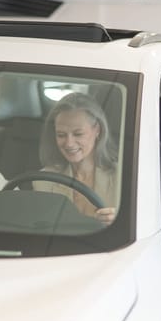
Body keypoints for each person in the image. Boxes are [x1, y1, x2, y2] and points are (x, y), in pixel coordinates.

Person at [34, 92, 119, 224]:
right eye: (61, 135)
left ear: (97, 130)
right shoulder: (43, 180)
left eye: (78, 134)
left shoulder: (124, 179)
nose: (69, 143)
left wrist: (121, 222)